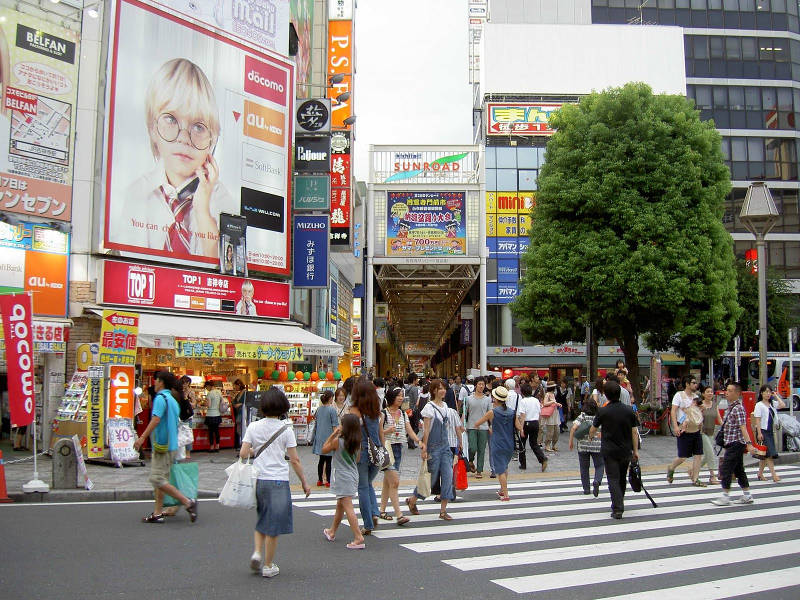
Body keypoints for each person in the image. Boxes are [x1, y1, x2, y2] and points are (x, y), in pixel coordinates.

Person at [116, 58, 235, 258]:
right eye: (171, 119)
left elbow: (226, 264)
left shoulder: (219, 197)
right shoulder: (136, 193)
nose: (184, 138)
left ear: (212, 140)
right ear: (153, 128)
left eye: (198, 126)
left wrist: (202, 209)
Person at [240, 387, 310, 576]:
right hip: (278, 480)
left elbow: (244, 453)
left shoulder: (253, 427)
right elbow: (294, 460)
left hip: (260, 480)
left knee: (262, 517)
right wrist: (304, 482)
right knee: (274, 526)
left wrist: (256, 450)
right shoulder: (286, 430)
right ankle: (269, 565)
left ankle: (256, 553)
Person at [134, 371, 198, 524]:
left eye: (156, 381)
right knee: (161, 480)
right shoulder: (173, 400)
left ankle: (188, 502)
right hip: (172, 446)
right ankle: (157, 513)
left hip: (162, 446)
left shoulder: (161, 399)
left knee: (156, 479)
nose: (154, 384)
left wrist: (142, 438)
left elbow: (156, 419)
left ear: (161, 382)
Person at [406, 379, 458, 520]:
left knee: (448, 477)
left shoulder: (446, 405)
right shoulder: (429, 407)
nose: (443, 391)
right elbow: (427, 431)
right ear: (434, 390)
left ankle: (443, 511)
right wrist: (424, 449)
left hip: (446, 447)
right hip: (433, 448)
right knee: (430, 478)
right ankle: (413, 499)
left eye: (444, 388)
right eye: (440, 388)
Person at [589, 379, 637, 519]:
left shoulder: (603, 411)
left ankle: (617, 508)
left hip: (609, 450)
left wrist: (591, 436)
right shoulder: (628, 410)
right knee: (621, 477)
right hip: (625, 449)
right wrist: (636, 451)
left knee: (612, 478)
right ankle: (619, 502)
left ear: (607, 395)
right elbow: (634, 432)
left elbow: (593, 428)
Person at [378, 387, 422, 525]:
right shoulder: (383, 413)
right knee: (395, 482)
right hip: (387, 448)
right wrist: (387, 431)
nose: (401, 398)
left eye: (402, 396)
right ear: (392, 397)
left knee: (388, 481)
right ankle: (399, 514)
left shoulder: (402, 414)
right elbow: (378, 432)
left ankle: (382, 510)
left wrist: (418, 441)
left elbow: (408, 429)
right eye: (398, 395)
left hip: (398, 447)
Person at [321, 415, 365, 549]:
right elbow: (357, 460)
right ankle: (332, 531)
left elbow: (324, 449)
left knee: (348, 507)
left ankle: (358, 537)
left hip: (341, 477)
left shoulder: (338, 441)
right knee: (340, 504)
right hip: (352, 475)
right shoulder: (357, 442)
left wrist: (333, 433)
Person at [348, 380, 385, 535]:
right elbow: (380, 433)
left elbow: (349, 434)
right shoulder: (377, 412)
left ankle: (368, 523)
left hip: (361, 453)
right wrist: (383, 449)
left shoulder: (354, 412)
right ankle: (375, 512)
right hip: (377, 452)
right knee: (368, 483)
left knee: (362, 486)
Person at [712, 382, 755, 506]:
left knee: (726, 468)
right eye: (727, 390)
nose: (727, 392)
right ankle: (747, 495)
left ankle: (725, 496)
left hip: (736, 443)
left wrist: (749, 444)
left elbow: (743, 428)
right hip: (730, 442)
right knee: (739, 469)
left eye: (730, 391)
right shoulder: (730, 407)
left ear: (737, 394)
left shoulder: (739, 408)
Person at [474, 385, 521, 501]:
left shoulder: (492, 412)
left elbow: (477, 423)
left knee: (500, 470)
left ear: (495, 399)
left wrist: (487, 428)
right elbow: (519, 427)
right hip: (509, 444)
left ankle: (506, 495)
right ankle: (501, 490)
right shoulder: (512, 412)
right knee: (504, 467)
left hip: (497, 443)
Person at [666, 375, 705, 486]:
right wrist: (675, 426)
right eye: (693, 383)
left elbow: (699, 410)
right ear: (687, 384)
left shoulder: (696, 396)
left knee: (698, 455)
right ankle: (671, 467)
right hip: (684, 430)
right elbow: (673, 411)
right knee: (683, 457)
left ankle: (695, 478)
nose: (695, 384)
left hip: (696, 430)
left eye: (695, 383)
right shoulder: (679, 395)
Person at [569, 397, 604, 497]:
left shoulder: (583, 415)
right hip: (597, 445)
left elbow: (573, 428)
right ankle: (597, 481)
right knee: (600, 465)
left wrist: (571, 441)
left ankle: (586, 489)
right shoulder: (599, 416)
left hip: (583, 446)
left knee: (584, 467)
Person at [753, 384, 786, 483]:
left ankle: (760, 474)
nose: (768, 394)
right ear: (761, 393)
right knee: (769, 454)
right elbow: (757, 420)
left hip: (770, 431)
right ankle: (774, 475)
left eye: (769, 392)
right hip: (763, 431)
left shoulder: (771, 404)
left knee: (764, 454)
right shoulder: (759, 405)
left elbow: (783, 405)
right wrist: (759, 433)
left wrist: (775, 396)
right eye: (766, 392)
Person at [517, 382, 548, 472]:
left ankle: (523, 464)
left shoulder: (523, 401)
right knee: (534, 443)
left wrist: (521, 428)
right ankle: (542, 458)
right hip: (535, 423)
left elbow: (522, 415)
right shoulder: (535, 400)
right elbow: (539, 413)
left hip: (526, 423)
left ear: (522, 392)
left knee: (522, 444)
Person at [465, 377, 492, 477]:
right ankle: (470, 461)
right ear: (476, 385)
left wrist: (491, 425)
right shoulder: (468, 398)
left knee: (481, 449)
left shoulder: (488, 399)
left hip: (484, 427)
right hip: (471, 426)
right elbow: (464, 412)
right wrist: (462, 425)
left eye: (483, 384)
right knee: (472, 447)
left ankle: (479, 471)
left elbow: (490, 413)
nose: (481, 386)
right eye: (479, 384)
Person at [312, 390, 338, 487]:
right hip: (329, 437)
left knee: (321, 460)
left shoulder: (319, 409)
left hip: (319, 437)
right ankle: (328, 481)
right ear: (330, 398)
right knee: (328, 460)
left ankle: (319, 480)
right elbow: (335, 426)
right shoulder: (332, 410)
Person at [698, 385, 723, 485]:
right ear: (703, 394)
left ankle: (693, 470)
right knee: (711, 453)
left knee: (707, 456)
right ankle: (712, 476)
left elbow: (719, 419)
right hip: (701, 432)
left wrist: (726, 427)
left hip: (711, 432)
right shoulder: (700, 405)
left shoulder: (715, 405)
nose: (710, 393)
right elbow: (696, 417)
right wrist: (700, 410)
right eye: (707, 392)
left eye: (711, 392)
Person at [541, 382, 560, 452]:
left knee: (556, 430)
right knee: (550, 430)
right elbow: (545, 403)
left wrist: (557, 404)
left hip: (554, 413)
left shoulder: (553, 394)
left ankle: (554, 445)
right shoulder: (547, 394)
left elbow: (553, 403)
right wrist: (552, 402)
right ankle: (547, 445)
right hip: (550, 415)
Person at [204, 380, 222, 452]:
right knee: (217, 431)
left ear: (208, 386)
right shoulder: (219, 392)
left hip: (210, 415)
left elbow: (208, 405)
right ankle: (217, 446)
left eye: (206, 387)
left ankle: (211, 447)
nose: (206, 389)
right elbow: (222, 401)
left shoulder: (209, 394)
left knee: (211, 432)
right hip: (217, 414)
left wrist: (203, 403)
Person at [405, 373, 420, 448]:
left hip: (407, 410)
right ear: (414, 380)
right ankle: (410, 439)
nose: (418, 381)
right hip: (413, 410)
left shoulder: (406, 388)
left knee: (410, 426)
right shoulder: (415, 388)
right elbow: (416, 400)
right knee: (416, 427)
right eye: (417, 379)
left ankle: (411, 444)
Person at [231, 379, 247, 450]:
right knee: (239, 428)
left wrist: (240, 404)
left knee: (242, 428)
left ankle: (243, 444)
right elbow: (234, 402)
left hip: (243, 412)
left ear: (239, 385)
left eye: (235, 386)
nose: (235, 387)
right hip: (238, 413)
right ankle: (241, 443)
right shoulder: (238, 394)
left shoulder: (245, 393)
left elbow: (247, 402)